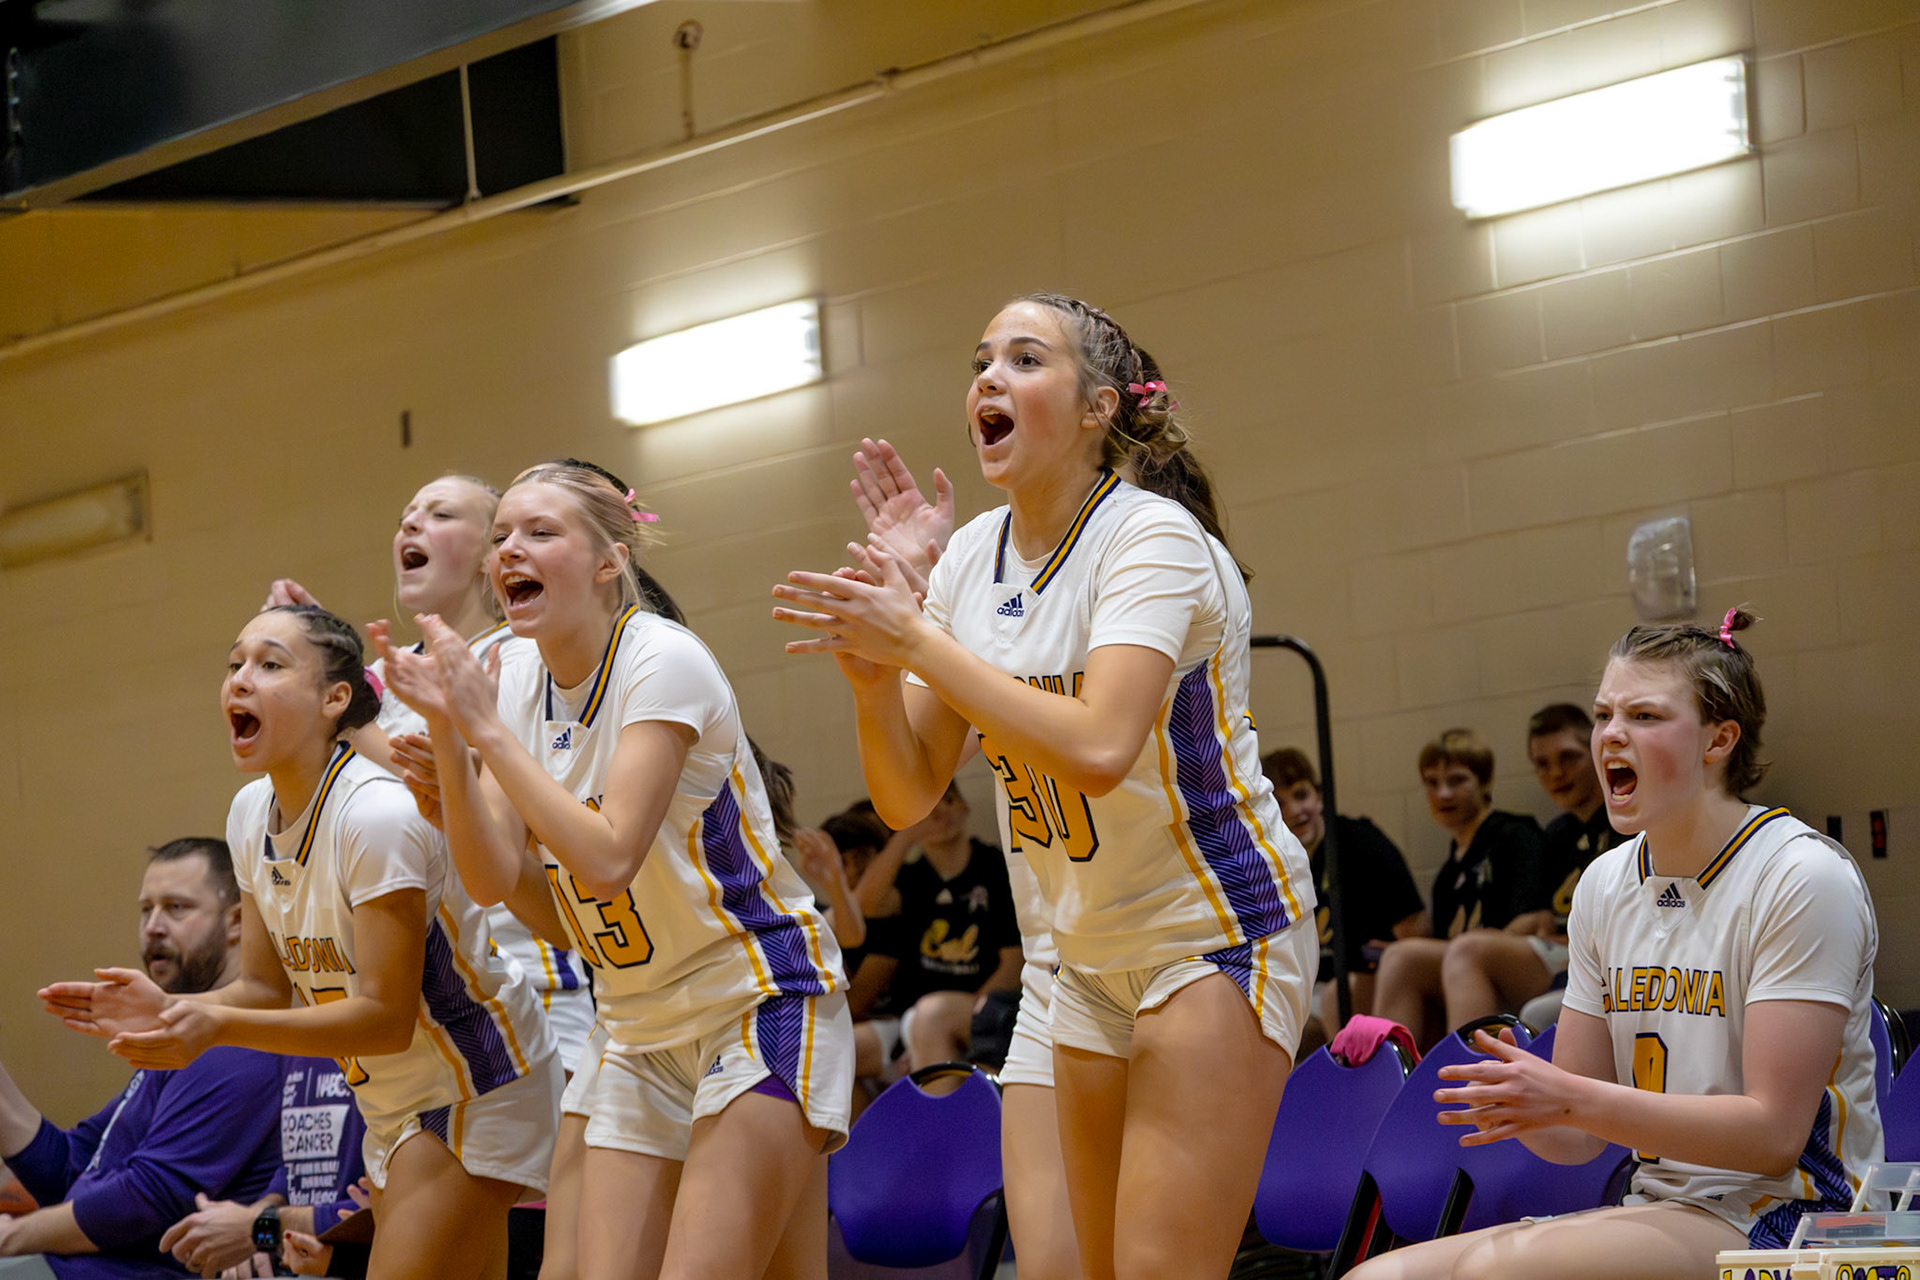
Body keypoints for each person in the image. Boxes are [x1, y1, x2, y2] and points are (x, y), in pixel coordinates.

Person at [774, 295, 1316, 1280]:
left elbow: (1103, 742)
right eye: (980, 359)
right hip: (1073, 954)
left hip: (1209, 931)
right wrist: (871, 684)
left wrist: (924, 647)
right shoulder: (970, 560)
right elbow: (905, 791)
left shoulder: (1151, 538)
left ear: (1100, 405)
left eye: (1025, 359)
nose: (988, 377)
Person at [374, 459, 849, 1280]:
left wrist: (483, 734)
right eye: (501, 537)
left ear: (609, 559)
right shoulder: (513, 677)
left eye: (539, 532)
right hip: (632, 1023)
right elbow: (492, 881)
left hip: (754, 998)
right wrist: (450, 744)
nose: (509, 550)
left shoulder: (662, 659)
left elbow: (605, 860)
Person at [1349, 609, 1884, 1279]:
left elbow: (1774, 1136)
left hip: (1814, 1220)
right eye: (1603, 715)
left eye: (1645, 717)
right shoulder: (1606, 884)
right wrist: (1528, 1105)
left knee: (1486, 1276)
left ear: (1720, 739)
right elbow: (1576, 1141)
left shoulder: (1801, 875)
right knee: (1375, 1276)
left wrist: (1572, 1098)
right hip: (1668, 1208)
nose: (1611, 737)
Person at [43, 606, 561, 1280]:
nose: (240, 680)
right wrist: (176, 1012)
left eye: (270, 664)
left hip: (476, 1083)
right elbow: (263, 985)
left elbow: (383, 1017)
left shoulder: (376, 815)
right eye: (234, 664)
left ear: (334, 699)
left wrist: (217, 1024)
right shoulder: (249, 812)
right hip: (397, 1100)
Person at [265, 475, 595, 1073]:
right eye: (405, 515)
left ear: (491, 554)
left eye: (440, 514)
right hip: (433, 996)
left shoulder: (522, 655)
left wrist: (329, 704)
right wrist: (309, 669)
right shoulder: (380, 677)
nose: (411, 524)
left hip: (531, 974)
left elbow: (451, 785)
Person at [4, 839, 283, 1279]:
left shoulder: (237, 1044)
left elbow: (143, 1199)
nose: (153, 926)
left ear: (236, 923)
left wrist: (10, 1237)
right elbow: (75, 1169)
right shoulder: (184, 1040)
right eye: (145, 909)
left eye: (176, 908)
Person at [1441, 705, 1622, 1032]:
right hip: (1561, 955)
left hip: (1608, 958)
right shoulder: (1555, 834)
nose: (1556, 773)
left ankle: (1473, 1075)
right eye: (1542, 764)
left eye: (1568, 758)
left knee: (1469, 951)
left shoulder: (1626, 822)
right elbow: (1538, 920)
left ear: (1597, 752)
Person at [1371, 729, 1546, 1048]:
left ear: (1484, 781)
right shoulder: (1448, 873)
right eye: (1432, 783)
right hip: (1465, 967)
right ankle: (1395, 1081)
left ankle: (1465, 1077)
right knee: (1397, 957)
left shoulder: (1514, 834)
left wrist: (1477, 950)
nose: (1444, 794)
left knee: (1419, 956)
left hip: (1520, 961)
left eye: (1456, 780)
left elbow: (1534, 919)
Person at [855, 784, 1022, 1070]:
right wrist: (905, 834)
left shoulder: (995, 867)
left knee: (933, 1016)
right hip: (911, 1017)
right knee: (839, 1052)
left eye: (948, 800)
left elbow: (1014, 966)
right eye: (929, 805)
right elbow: (865, 906)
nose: (940, 811)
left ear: (964, 807)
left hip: (980, 1007)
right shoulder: (911, 879)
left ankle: (941, 1112)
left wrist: (936, 1026)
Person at [159, 1055, 370, 1280]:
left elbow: (387, 1209)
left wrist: (256, 1229)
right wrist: (255, 1219)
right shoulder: (293, 1038)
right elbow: (295, 1162)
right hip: (302, 1262)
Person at [1260, 748, 1424, 1037]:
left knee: (1332, 998)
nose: (1295, 811)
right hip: (1313, 987)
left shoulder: (1359, 842)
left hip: (1367, 976)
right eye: (1280, 804)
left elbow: (1416, 930)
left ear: (1319, 795)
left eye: (1301, 796)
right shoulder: (1274, 862)